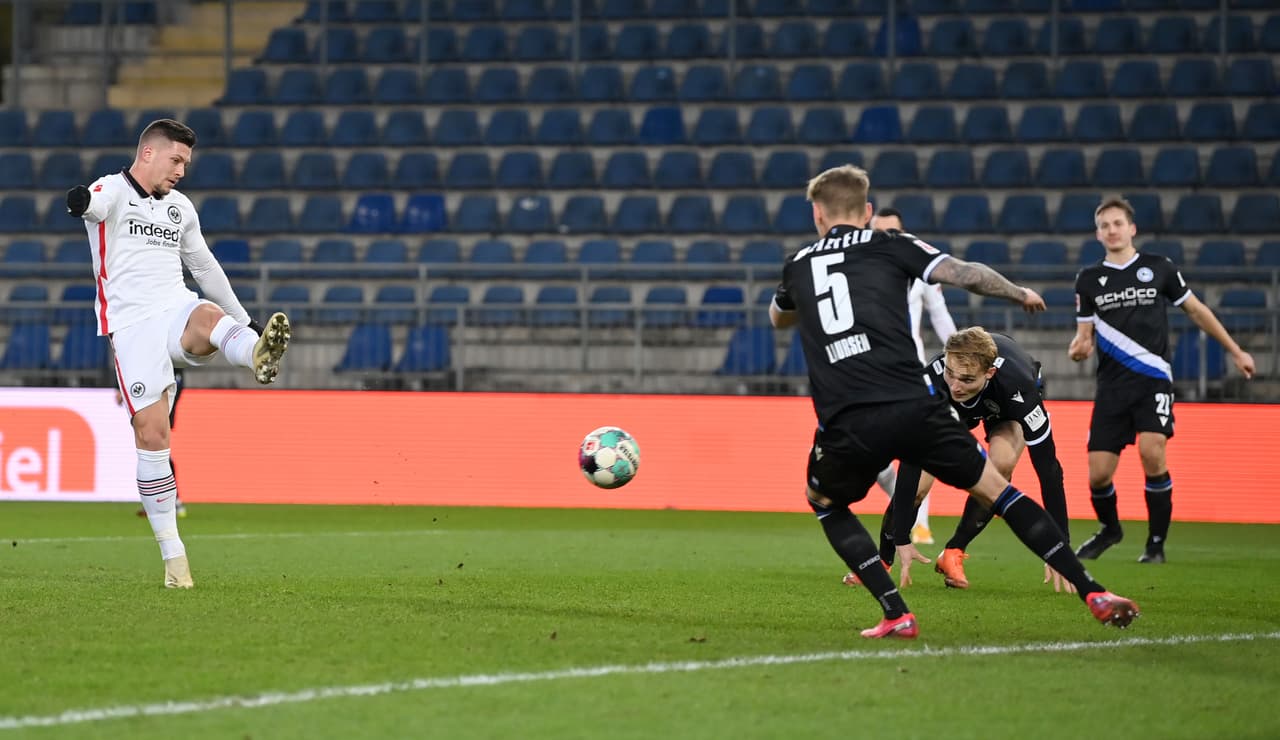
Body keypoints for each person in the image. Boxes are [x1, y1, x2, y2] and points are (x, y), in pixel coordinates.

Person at [771, 164, 1138, 638]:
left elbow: (779, 317)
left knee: (825, 502)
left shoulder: (797, 264)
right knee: (1000, 490)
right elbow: (966, 274)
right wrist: (1019, 293)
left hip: (847, 415)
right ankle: (1093, 590)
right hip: (914, 403)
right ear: (866, 212)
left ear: (817, 215)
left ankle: (895, 612)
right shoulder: (891, 244)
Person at [67, 118, 291, 589]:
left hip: (175, 308)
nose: (182, 171)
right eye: (176, 160)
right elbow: (94, 205)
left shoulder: (180, 208)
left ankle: (254, 351)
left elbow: (204, 267)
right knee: (153, 436)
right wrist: (82, 202)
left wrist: (247, 320)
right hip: (132, 327)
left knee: (207, 315)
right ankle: (174, 559)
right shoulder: (112, 189)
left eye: (186, 163)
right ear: (148, 153)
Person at [1069, 197, 1255, 564]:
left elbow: (1196, 310)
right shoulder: (1088, 279)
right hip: (1111, 387)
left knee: (1152, 452)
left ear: (1132, 228)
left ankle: (1155, 545)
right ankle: (1110, 529)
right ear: (1098, 234)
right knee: (1098, 475)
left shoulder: (1159, 268)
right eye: (1105, 225)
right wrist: (1078, 349)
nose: (1112, 230)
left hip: (1153, 379)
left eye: (1118, 223)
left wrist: (1235, 350)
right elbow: (1083, 337)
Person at [852, 327, 1074, 593]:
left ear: (989, 373)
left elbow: (1049, 470)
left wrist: (1061, 545)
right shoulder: (932, 381)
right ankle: (882, 562)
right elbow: (911, 460)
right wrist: (901, 537)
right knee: (917, 487)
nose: (955, 386)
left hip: (1004, 411)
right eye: (950, 373)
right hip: (951, 413)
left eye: (966, 379)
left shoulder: (1021, 390)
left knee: (1000, 467)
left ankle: (954, 551)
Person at [869, 206, 957, 545]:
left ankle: (919, 524)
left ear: (905, 234)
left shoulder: (920, 270)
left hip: (911, 373)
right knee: (872, 455)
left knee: (916, 449)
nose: (885, 238)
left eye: (892, 232)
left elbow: (940, 316)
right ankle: (902, 502)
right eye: (878, 232)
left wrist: (961, 356)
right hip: (869, 373)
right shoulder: (857, 269)